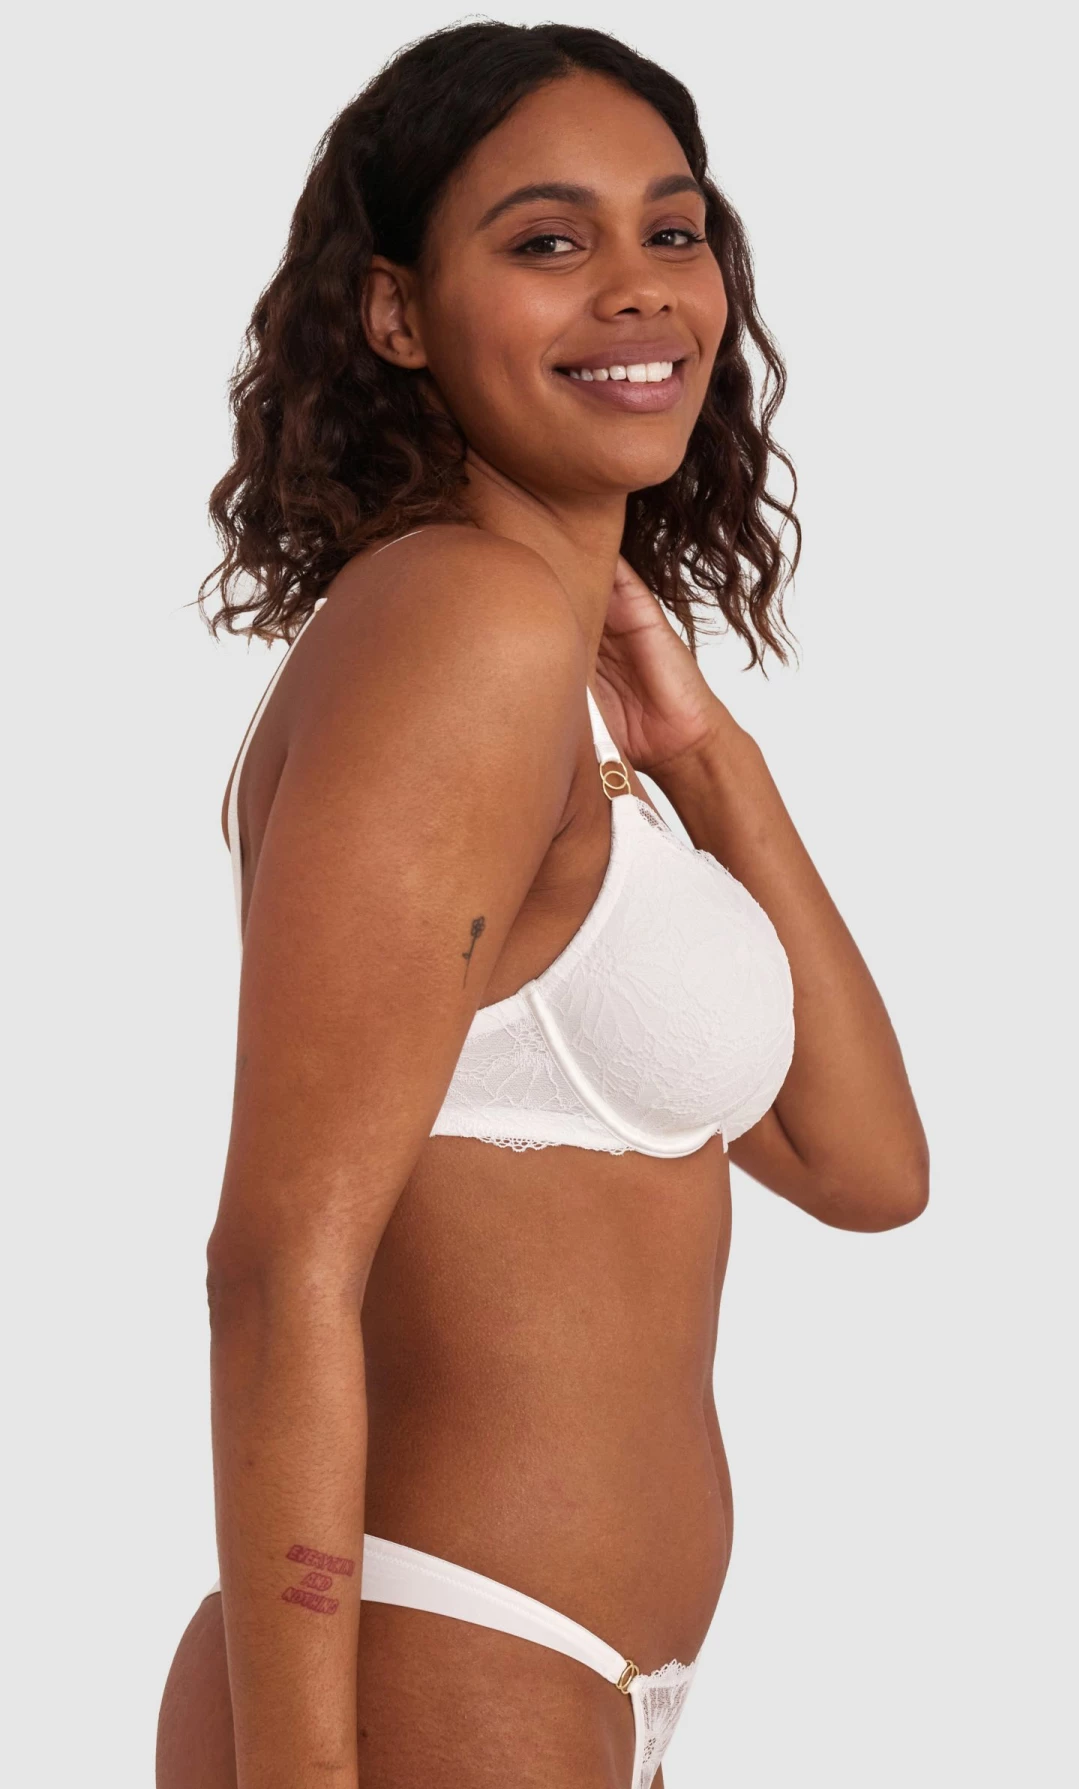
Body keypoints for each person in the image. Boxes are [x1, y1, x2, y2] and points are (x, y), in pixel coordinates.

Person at [155, 22, 927, 1789]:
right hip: (433, 1664)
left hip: (547, 1686)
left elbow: (870, 1169)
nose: (639, 288)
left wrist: (707, 756)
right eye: (549, 240)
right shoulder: (464, 625)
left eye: (674, 230)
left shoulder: (564, 688)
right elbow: (276, 1267)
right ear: (396, 313)